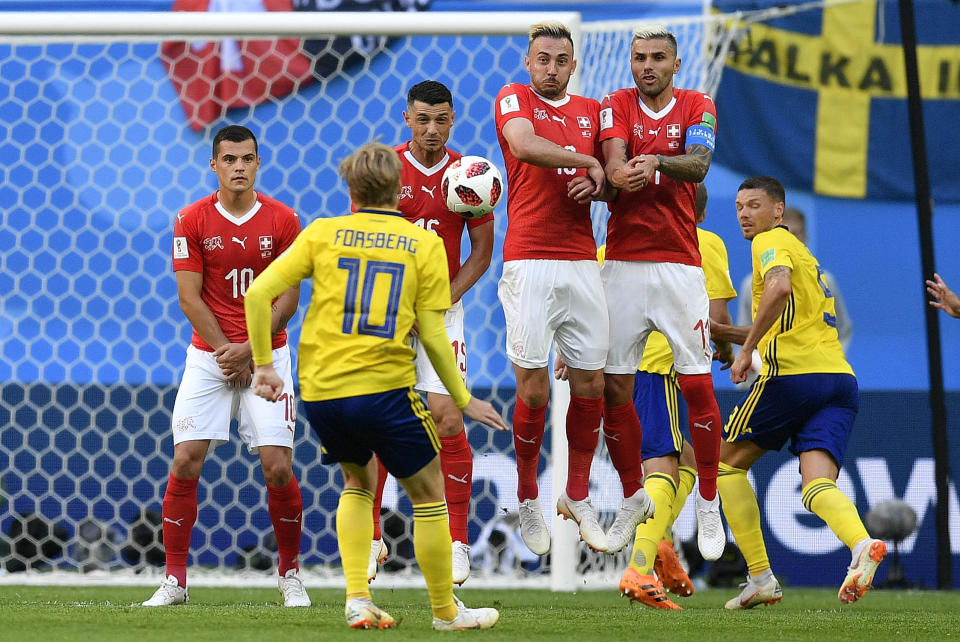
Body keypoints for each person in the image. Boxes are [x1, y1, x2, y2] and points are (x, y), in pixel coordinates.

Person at [244, 141, 507, 630]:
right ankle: (446, 612)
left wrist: (264, 365)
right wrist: (465, 399)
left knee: (357, 483)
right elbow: (431, 331)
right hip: (383, 386)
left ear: (350, 188)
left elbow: (259, 294)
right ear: (399, 188)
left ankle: (358, 597)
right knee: (429, 493)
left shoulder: (323, 233)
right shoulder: (423, 244)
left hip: (322, 390)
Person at [143, 125, 309, 608]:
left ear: (259, 163)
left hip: (268, 358)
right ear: (213, 165)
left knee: (277, 467)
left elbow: (291, 295)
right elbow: (188, 298)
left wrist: (252, 351)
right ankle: (175, 580)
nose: (239, 166)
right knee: (184, 459)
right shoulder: (191, 219)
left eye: (248, 158)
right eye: (230, 159)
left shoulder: (283, 220)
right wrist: (227, 352)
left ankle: (291, 575)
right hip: (209, 357)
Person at [711, 175, 887, 609]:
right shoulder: (810, 260)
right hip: (839, 382)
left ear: (777, 212)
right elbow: (784, 319)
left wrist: (745, 350)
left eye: (754, 205)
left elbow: (778, 288)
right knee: (816, 485)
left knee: (724, 466)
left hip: (792, 377)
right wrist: (724, 333)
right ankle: (862, 545)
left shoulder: (771, 242)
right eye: (738, 207)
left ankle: (760, 576)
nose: (744, 214)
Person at [494, 20, 634, 556]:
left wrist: (603, 182)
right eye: (542, 58)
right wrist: (586, 161)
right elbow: (525, 147)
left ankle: (576, 495)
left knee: (592, 383)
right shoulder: (514, 99)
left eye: (560, 59)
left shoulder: (593, 110)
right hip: (529, 260)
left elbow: (613, 186)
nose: (551, 68)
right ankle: (528, 496)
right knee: (532, 388)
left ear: (573, 65)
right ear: (529, 63)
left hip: (580, 262)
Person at [597, 26, 725, 562]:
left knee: (697, 385)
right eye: (639, 58)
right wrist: (617, 174)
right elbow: (616, 163)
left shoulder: (699, 104)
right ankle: (632, 494)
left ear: (676, 64)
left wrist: (657, 164)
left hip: (679, 267)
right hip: (622, 264)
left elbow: (699, 166)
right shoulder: (616, 103)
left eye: (657, 58)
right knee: (613, 390)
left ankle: (710, 501)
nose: (646, 66)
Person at [367, 80, 495, 586]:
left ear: (453, 119)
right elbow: (369, 242)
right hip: (388, 313)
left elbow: (481, 253)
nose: (432, 129)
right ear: (406, 118)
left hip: (443, 314)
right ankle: (372, 533)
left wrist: (443, 300)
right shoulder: (385, 170)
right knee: (377, 418)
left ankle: (458, 540)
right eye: (423, 119)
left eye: (442, 119)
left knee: (446, 418)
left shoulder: (469, 175)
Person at [615, 182, 737, 609]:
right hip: (658, 368)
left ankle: (662, 541)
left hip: (622, 367)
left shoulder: (624, 240)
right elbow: (717, 320)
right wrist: (728, 349)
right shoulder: (708, 243)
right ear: (697, 214)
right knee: (665, 464)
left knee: (685, 458)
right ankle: (640, 566)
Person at [737, 206, 852, 350]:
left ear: (805, 237)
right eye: (786, 233)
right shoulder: (751, 285)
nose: (790, 240)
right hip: (768, 366)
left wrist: (832, 360)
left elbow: (842, 329)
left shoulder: (825, 280)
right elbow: (744, 328)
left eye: (796, 234)